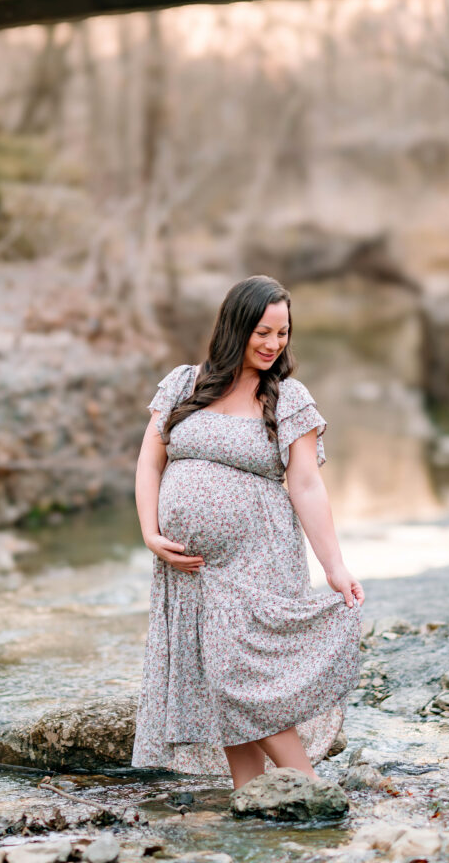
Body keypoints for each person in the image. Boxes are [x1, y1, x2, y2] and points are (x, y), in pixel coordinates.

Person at [131, 274, 365, 789]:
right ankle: (252, 797)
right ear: (235, 327)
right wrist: (151, 533)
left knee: (244, 676)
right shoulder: (183, 384)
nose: (273, 344)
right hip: (187, 567)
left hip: (259, 556)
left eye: (282, 334)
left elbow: (306, 485)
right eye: (263, 331)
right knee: (218, 680)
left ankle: (306, 788)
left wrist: (335, 566)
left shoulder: (287, 397)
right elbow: (150, 464)